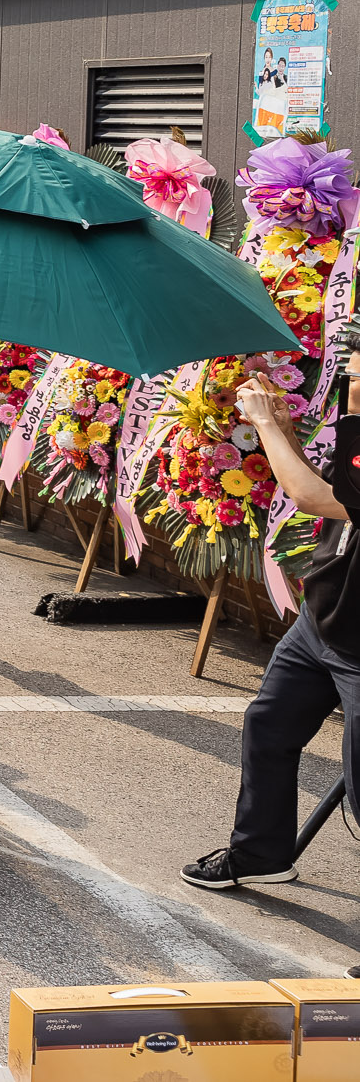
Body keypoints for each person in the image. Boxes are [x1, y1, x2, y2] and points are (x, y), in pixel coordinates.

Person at [184, 371, 360, 891]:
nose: (349, 382)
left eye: (355, 372)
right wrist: (283, 431)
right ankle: (260, 853)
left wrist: (263, 425)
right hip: (322, 620)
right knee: (269, 726)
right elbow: (333, 493)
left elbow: (308, 498)